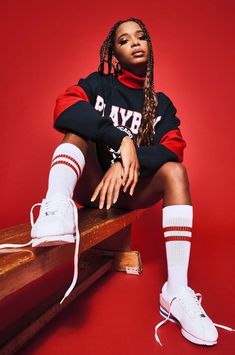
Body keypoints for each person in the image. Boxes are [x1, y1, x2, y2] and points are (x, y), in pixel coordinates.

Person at [1, 18, 233, 346]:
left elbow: (174, 147)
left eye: (141, 37)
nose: (135, 43)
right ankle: (55, 209)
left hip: (131, 190)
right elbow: (63, 107)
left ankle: (176, 291)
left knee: (176, 172)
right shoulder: (100, 85)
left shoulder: (161, 104)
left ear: (150, 46)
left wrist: (126, 161)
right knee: (78, 127)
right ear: (114, 53)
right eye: (124, 40)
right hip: (92, 185)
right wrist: (118, 138)